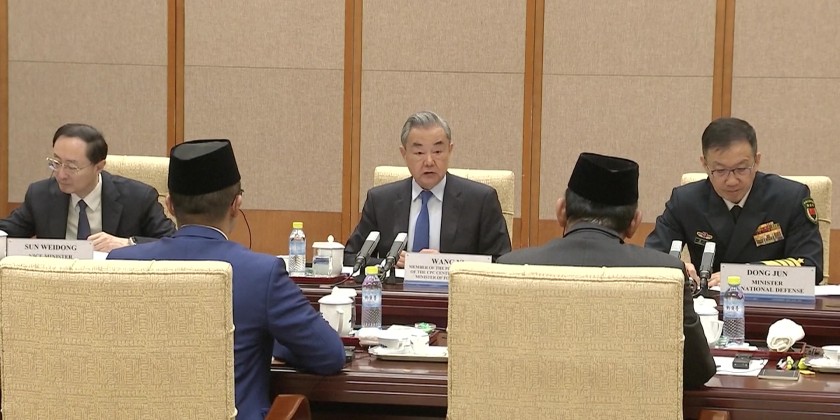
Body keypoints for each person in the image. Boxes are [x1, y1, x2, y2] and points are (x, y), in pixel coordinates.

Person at [108, 139, 345, 419]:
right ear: (236, 204)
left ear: (169, 205)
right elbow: (329, 355)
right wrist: (270, 338)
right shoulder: (261, 272)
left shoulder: (121, 264)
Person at [497, 152, 716, 389]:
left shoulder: (511, 268)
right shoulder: (665, 274)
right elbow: (698, 371)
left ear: (561, 211)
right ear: (634, 222)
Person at [645, 117, 823, 285]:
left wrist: (744, 276)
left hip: (771, 301)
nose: (731, 181)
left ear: (757, 161)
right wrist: (677, 267)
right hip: (707, 302)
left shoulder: (790, 198)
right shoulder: (686, 201)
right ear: (705, 164)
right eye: (720, 170)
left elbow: (811, 267)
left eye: (741, 169)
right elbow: (651, 256)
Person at [344, 111, 511, 269]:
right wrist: (391, 263)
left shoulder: (480, 201)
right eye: (419, 152)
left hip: (452, 289)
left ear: (450, 150)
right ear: (404, 154)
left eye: (437, 151)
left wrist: (444, 264)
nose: (429, 161)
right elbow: (350, 257)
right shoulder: (380, 201)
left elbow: (502, 263)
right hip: (397, 289)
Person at [0, 123, 174, 251]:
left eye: (71, 167)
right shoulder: (40, 195)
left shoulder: (138, 198)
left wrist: (128, 243)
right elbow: (6, 232)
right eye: (56, 163)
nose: (61, 174)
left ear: (99, 167)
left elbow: (172, 242)